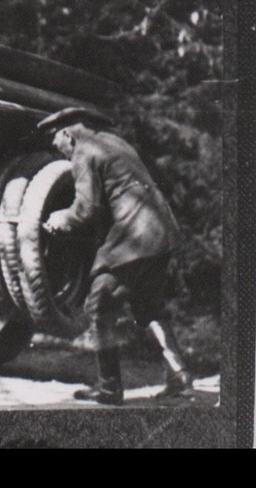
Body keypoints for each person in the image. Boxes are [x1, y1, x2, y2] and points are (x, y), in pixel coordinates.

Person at [39, 107, 195, 405]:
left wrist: (60, 219)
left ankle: (109, 386)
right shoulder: (115, 142)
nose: (58, 151)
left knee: (98, 304)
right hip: (161, 231)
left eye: (55, 144)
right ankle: (181, 377)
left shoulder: (84, 151)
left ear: (66, 134)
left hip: (136, 238)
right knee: (148, 306)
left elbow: (86, 210)